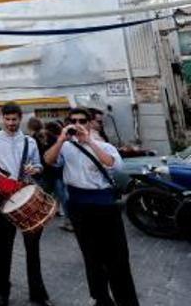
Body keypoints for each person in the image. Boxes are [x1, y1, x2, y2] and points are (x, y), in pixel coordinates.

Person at [44, 108, 138, 306]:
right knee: (90, 255)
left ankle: (126, 301)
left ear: (89, 123)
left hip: (104, 205)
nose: (78, 124)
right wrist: (61, 139)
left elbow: (114, 165)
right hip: (78, 206)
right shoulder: (66, 146)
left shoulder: (103, 145)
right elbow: (48, 160)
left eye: (83, 120)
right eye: (73, 120)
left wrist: (89, 141)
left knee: (117, 258)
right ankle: (101, 298)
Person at [0, 102, 53, 306]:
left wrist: (35, 169)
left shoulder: (29, 141)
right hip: (3, 195)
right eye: (7, 119)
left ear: (20, 118)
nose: (11, 123)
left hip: (26, 194)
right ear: (2, 118)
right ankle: (2, 293)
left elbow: (39, 165)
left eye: (14, 119)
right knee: (4, 246)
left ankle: (37, 293)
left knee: (33, 247)